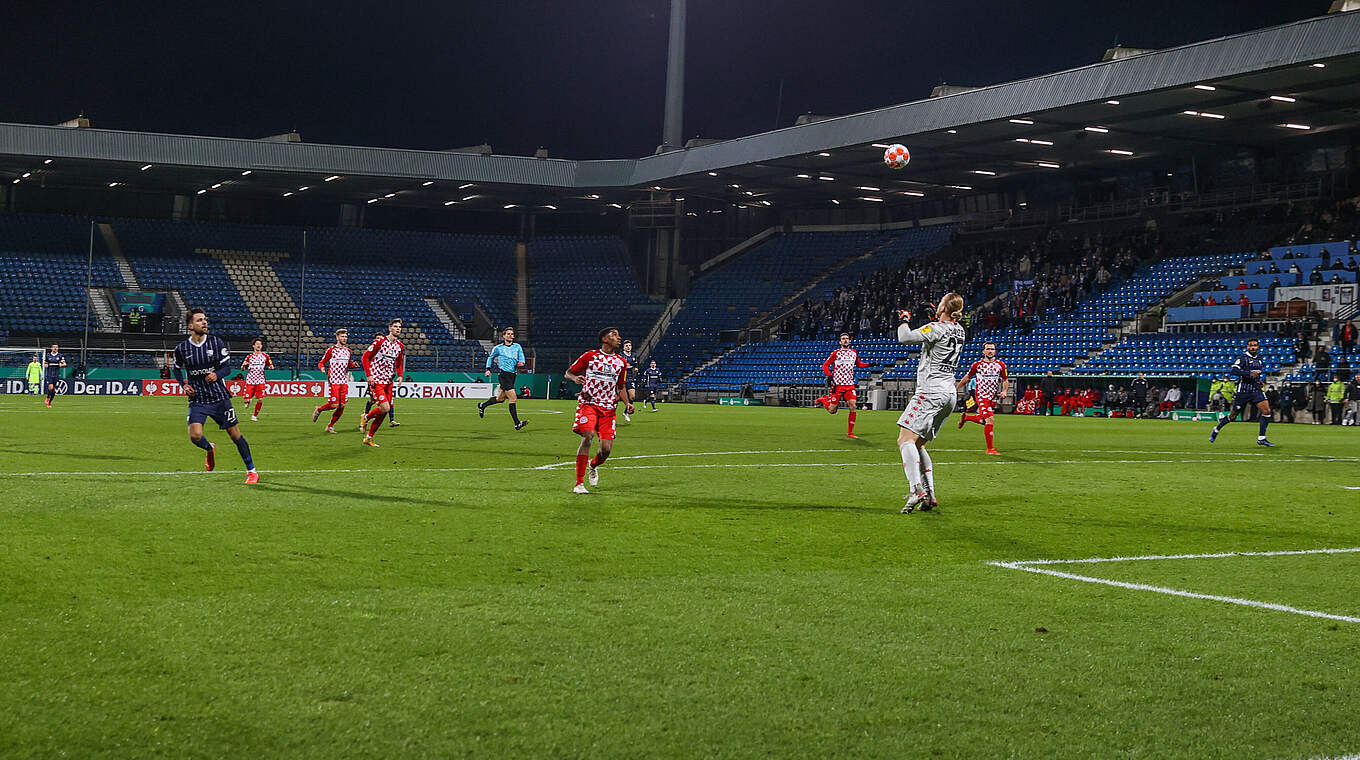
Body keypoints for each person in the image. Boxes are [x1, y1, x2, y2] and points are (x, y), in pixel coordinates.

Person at [896, 294, 967, 514]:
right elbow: (942, 333)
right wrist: (934, 317)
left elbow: (905, 338)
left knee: (905, 439)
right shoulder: (960, 330)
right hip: (949, 394)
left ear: (944, 306)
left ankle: (916, 490)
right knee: (919, 444)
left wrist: (904, 319)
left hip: (930, 391)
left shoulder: (936, 327)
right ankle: (931, 496)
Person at [172, 309, 258, 483]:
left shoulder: (215, 343)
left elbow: (227, 368)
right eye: (199, 320)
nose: (204, 323)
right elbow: (176, 369)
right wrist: (184, 385)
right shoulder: (182, 349)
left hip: (219, 398)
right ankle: (209, 449)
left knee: (235, 435)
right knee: (195, 436)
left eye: (205, 320)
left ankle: (252, 471)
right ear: (190, 326)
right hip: (198, 399)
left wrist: (217, 375)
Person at [564, 327, 634, 494]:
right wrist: (575, 378)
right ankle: (579, 483)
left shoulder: (621, 363)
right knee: (587, 436)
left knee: (606, 449)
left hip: (608, 409)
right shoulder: (590, 356)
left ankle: (593, 465)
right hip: (588, 404)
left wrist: (627, 403)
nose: (619, 337)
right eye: (614, 335)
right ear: (604, 339)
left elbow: (621, 386)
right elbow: (568, 373)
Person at [1210, 338, 1274, 446]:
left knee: (1267, 411)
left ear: (1258, 347)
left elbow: (1257, 374)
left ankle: (1261, 438)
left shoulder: (1260, 359)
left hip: (1256, 390)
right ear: (1247, 347)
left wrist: (1259, 381)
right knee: (1233, 416)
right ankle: (1217, 429)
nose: (1253, 347)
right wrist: (1248, 374)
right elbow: (1234, 370)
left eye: (1255, 345)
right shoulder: (1243, 358)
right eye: (1251, 345)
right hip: (1243, 391)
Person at [815, 333, 872, 438]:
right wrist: (829, 376)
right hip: (838, 385)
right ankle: (823, 399)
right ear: (840, 342)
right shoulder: (836, 353)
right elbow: (825, 365)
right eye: (843, 339)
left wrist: (870, 364)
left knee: (853, 406)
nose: (845, 340)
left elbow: (859, 364)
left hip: (849, 385)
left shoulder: (854, 352)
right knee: (832, 410)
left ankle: (850, 433)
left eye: (847, 339)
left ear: (850, 341)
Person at [955, 341, 1007, 454]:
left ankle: (967, 417)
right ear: (983, 351)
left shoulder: (1000, 365)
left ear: (995, 351)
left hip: (992, 397)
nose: (990, 351)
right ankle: (990, 449)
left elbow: (1005, 380)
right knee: (990, 419)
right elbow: (967, 377)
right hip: (981, 396)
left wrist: (1004, 390)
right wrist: (956, 389)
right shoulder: (977, 365)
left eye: (992, 349)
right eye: (988, 349)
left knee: (984, 421)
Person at [359, 319, 405, 447]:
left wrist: (400, 375)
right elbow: (365, 357)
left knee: (384, 411)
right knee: (385, 408)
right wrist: (369, 375)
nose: (398, 329)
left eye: (399, 327)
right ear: (390, 328)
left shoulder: (399, 346)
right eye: (395, 326)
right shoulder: (380, 342)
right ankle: (366, 417)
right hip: (377, 380)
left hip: (389, 382)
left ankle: (369, 437)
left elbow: (399, 363)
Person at [478, 327, 529, 430]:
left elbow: (522, 357)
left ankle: (483, 405)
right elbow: (491, 357)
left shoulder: (517, 347)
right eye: (508, 334)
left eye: (512, 334)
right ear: (504, 336)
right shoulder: (498, 348)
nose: (511, 335)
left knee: (500, 399)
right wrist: (488, 369)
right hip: (504, 375)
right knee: (513, 398)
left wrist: (522, 363)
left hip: (512, 375)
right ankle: (517, 423)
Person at [313, 328, 360, 433]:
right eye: (342, 336)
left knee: (342, 405)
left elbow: (348, 365)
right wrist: (322, 368)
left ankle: (330, 426)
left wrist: (353, 365)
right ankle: (319, 409)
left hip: (343, 380)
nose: (345, 338)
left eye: (346, 336)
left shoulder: (348, 351)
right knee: (334, 405)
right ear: (337, 337)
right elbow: (321, 362)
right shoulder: (331, 350)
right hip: (334, 380)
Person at [238, 338, 274, 421]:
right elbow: (242, 369)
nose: (258, 345)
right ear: (253, 346)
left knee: (260, 398)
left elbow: (270, 364)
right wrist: (243, 366)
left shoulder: (265, 356)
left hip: (260, 379)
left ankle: (254, 416)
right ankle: (249, 400)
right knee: (246, 401)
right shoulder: (249, 357)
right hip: (250, 380)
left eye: (260, 344)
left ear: (261, 346)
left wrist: (271, 366)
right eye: (257, 344)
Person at [619, 339, 639, 422]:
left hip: (630, 377)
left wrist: (635, 368)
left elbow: (635, 365)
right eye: (626, 346)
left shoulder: (634, 355)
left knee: (632, 396)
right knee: (616, 398)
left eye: (629, 345)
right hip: (620, 378)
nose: (628, 347)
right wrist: (623, 367)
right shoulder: (620, 355)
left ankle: (626, 412)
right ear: (623, 347)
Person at [42, 343, 66, 408]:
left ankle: (49, 402)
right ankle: (47, 398)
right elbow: (45, 363)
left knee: (54, 390)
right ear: (51, 348)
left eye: (56, 347)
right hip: (49, 374)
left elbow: (64, 363)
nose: (55, 348)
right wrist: (46, 365)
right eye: (54, 347)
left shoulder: (60, 355)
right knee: (51, 387)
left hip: (56, 374)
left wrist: (62, 365)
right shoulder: (48, 355)